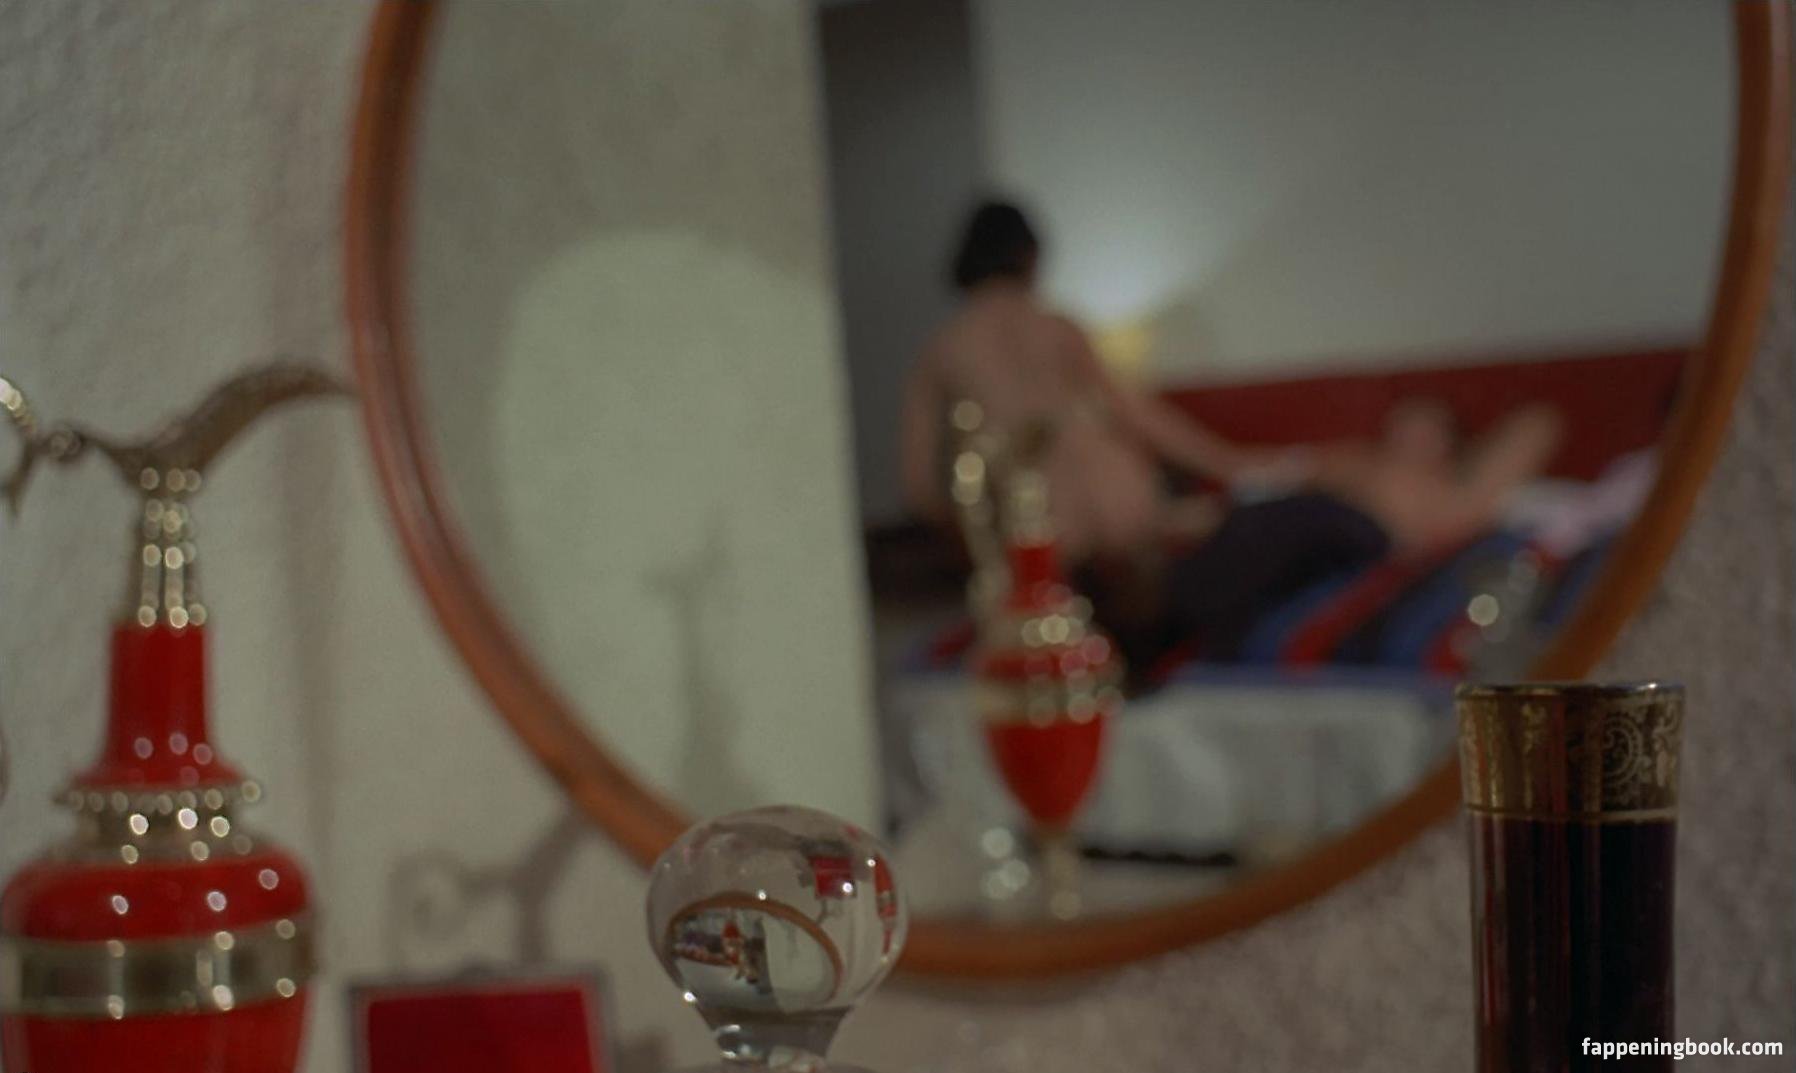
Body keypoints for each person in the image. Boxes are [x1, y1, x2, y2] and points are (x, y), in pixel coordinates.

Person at [899, 200, 1283, 567]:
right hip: (1125, 510)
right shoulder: (1057, 328)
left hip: (1039, 533)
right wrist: (1232, 464)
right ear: (1030, 256)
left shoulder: (943, 349)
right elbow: (1139, 416)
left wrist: (976, 540)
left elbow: (920, 488)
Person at [1111, 398, 1564, 674]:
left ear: (1451, 443)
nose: (1405, 435)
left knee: (1277, 530)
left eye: (1423, 426)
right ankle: (1148, 632)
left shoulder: (1448, 489)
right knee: (1250, 529)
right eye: (1400, 423)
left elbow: (1539, 424)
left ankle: (1151, 639)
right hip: (1294, 516)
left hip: (1357, 532)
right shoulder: (1352, 458)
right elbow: (1254, 473)